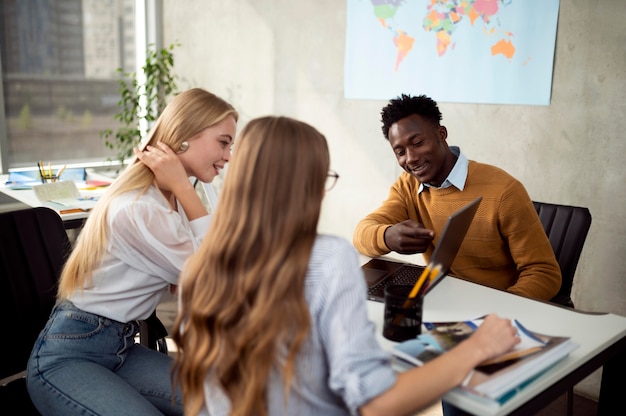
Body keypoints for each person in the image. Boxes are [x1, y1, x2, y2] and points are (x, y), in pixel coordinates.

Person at [172, 115, 520, 416]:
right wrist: (478, 347)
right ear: (305, 186)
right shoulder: (327, 259)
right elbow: (376, 403)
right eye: (321, 178)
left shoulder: (197, 268)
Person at [26, 87, 238, 416]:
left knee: (230, 405)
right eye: (223, 142)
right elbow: (219, 279)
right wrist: (184, 189)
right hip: (71, 356)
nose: (228, 156)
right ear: (185, 135)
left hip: (123, 346)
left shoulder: (171, 202)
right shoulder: (141, 206)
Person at [353, 93, 561, 302]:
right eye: (400, 152)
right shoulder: (407, 186)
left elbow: (544, 273)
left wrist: (500, 312)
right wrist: (387, 235)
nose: (411, 158)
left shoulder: (504, 191)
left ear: (441, 134)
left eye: (417, 143)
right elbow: (361, 234)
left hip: (497, 307)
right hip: (443, 300)